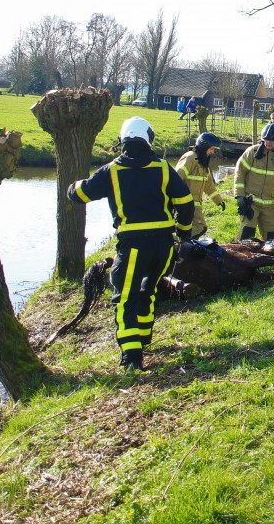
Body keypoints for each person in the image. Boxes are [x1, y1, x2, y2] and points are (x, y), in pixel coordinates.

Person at [67, 116, 195, 372]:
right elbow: (186, 202)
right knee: (149, 288)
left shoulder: (112, 170)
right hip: (164, 245)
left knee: (124, 297)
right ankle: (144, 337)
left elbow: (80, 195)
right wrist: (183, 232)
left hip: (134, 245)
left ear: (122, 140)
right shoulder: (162, 167)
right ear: (148, 139)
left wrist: (72, 186)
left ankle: (131, 355)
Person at [234, 122, 274, 242]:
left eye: (271, 141)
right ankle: (241, 258)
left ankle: (266, 260)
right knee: (246, 236)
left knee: (272, 240)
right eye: (266, 140)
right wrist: (239, 195)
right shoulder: (252, 152)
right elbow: (239, 172)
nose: (268, 143)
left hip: (270, 205)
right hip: (251, 202)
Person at [175, 132, 228, 238]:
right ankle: (181, 243)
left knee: (196, 228)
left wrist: (219, 201)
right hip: (185, 203)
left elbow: (209, 187)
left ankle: (184, 245)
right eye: (211, 149)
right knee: (200, 227)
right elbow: (176, 178)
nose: (212, 152)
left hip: (194, 205)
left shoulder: (203, 164)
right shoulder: (191, 158)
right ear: (204, 147)